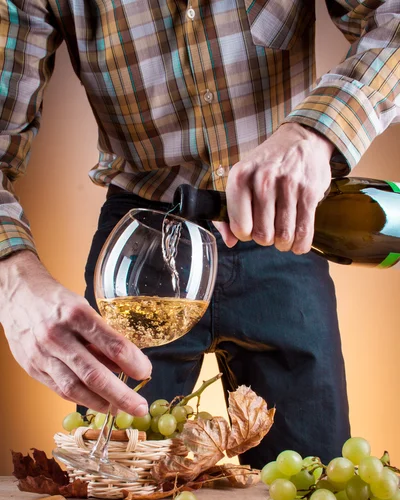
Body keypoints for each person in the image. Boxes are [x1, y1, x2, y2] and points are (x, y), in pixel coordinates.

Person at [0, 1, 399, 469]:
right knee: (116, 481)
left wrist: (318, 131)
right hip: (142, 247)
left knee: (315, 482)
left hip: (282, 224)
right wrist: (12, 279)